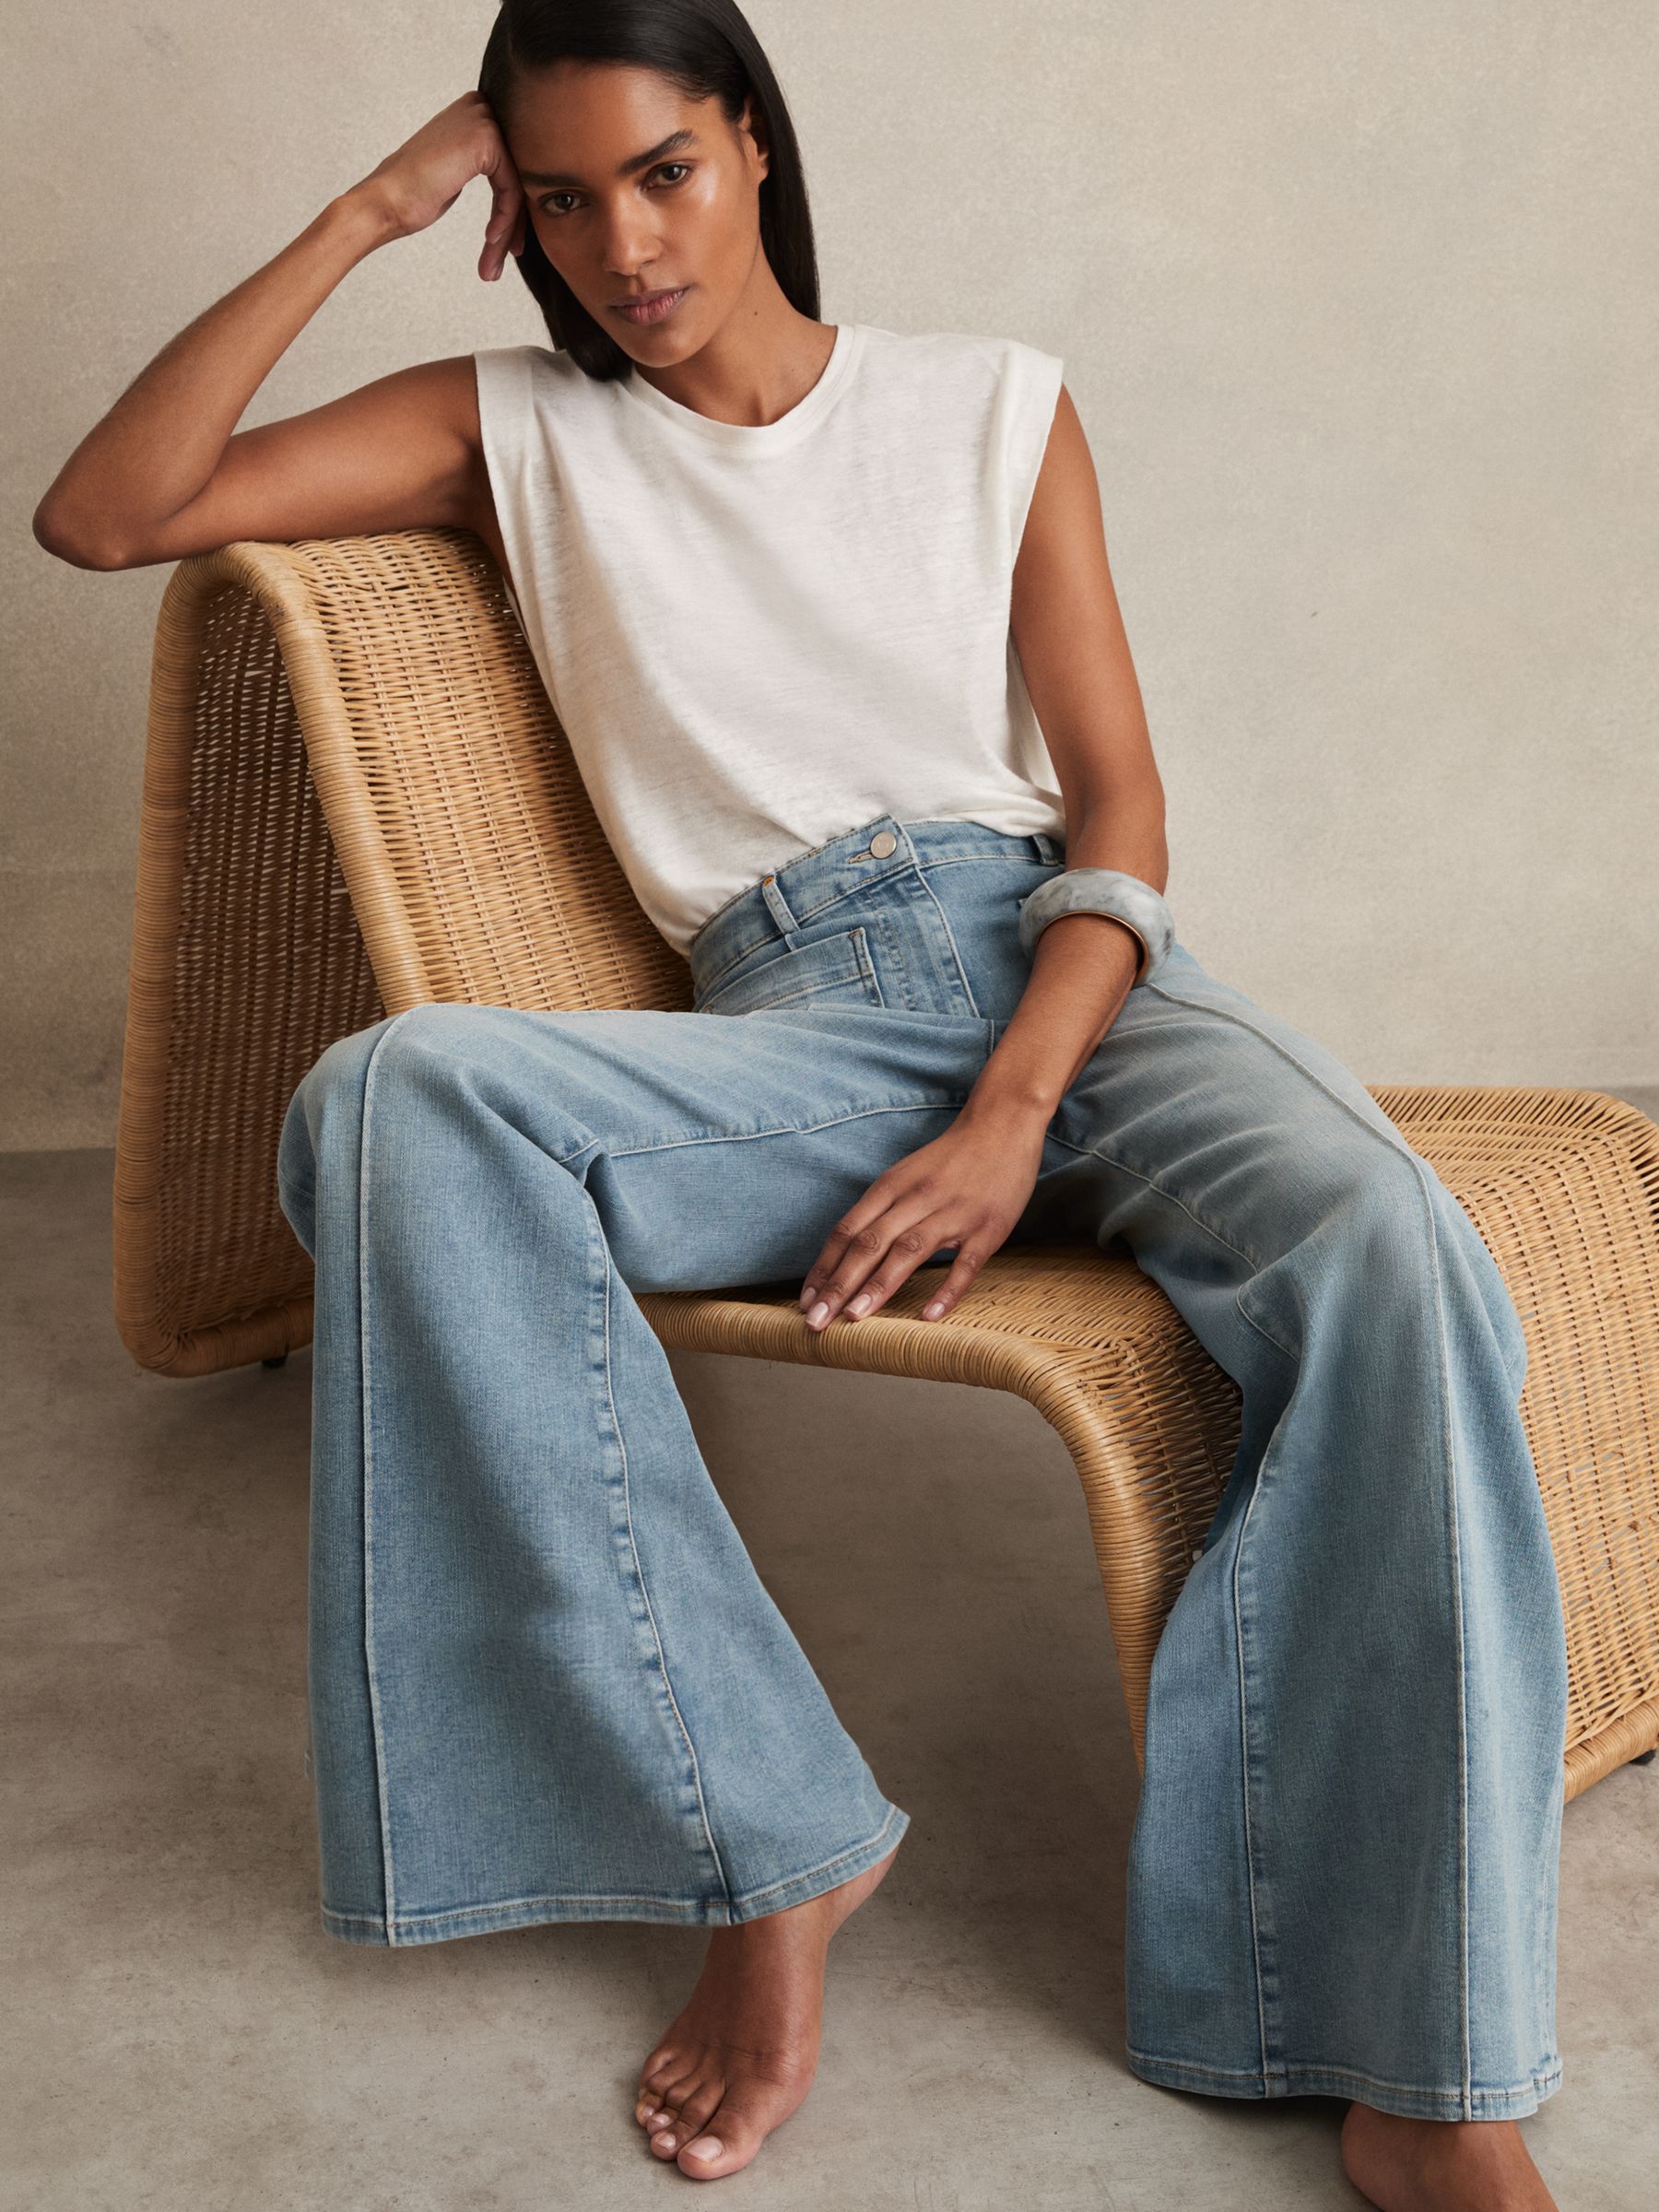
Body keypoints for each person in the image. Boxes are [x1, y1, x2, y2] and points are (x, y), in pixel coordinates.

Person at [33, 3, 1570, 2203]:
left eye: (659, 170)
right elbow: (107, 512)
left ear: (751, 143)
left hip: (1078, 974)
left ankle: (1421, 2082)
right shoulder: (507, 429)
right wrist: (372, 208)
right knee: (394, 1100)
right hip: (791, 1019)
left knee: (1397, 1242)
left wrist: (1018, 1104)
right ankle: (767, 1847)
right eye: (554, 199)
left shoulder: (991, 407)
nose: (620, 246)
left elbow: (1119, 795)